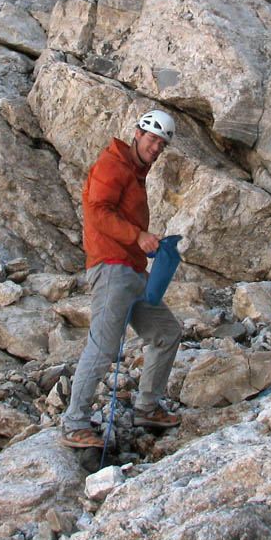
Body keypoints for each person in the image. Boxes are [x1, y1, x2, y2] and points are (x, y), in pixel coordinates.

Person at [61, 109, 184, 449]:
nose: (156, 148)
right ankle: (74, 423)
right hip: (112, 268)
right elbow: (98, 212)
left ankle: (146, 407)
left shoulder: (136, 173)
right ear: (137, 133)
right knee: (103, 346)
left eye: (161, 144)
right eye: (152, 139)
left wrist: (146, 244)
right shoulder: (113, 164)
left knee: (167, 332)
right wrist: (137, 235)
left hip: (132, 271)